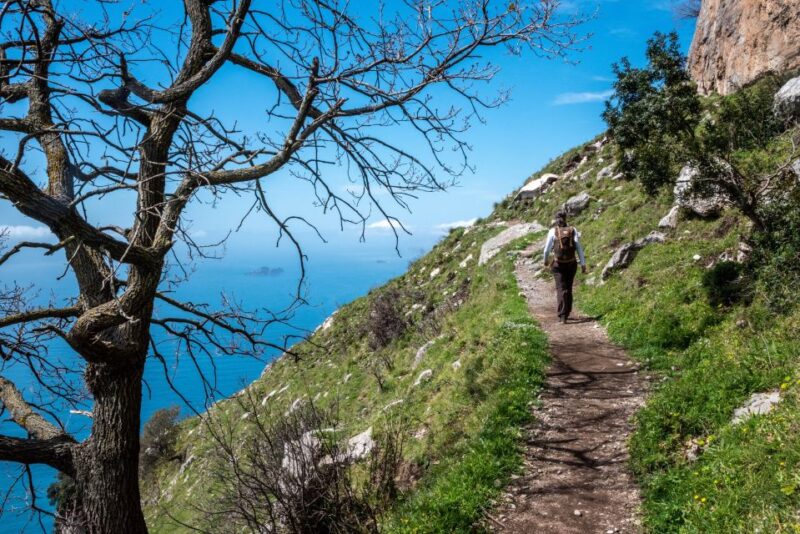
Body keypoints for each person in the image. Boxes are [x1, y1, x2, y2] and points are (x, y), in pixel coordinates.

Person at [542, 210, 587, 324]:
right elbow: (579, 247)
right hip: (571, 263)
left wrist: (545, 261)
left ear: (556, 219)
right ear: (566, 218)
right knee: (568, 287)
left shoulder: (552, 231)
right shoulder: (573, 230)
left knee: (561, 288)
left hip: (558, 264)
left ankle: (562, 316)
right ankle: (567, 312)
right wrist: (583, 264)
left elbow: (546, 249)